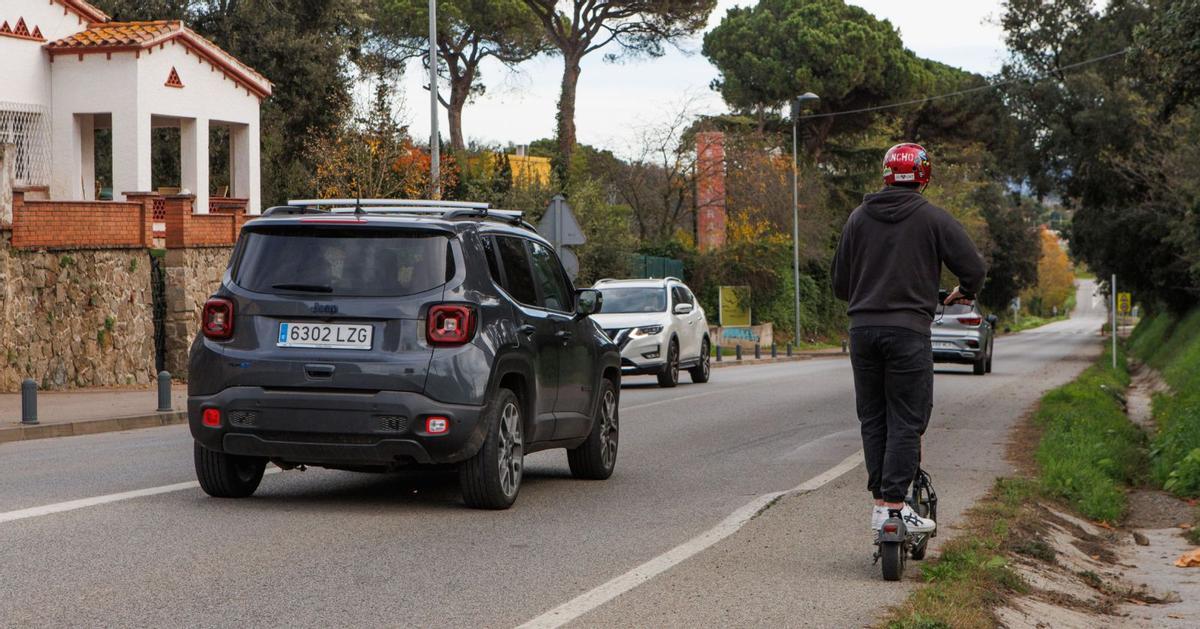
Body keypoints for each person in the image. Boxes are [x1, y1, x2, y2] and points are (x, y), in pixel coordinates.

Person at [831, 143, 987, 533]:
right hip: (908, 331)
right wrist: (964, 290)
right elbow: (974, 268)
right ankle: (896, 507)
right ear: (924, 177)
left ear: (886, 174)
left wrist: (869, 293)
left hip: (863, 331)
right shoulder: (932, 219)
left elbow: (838, 284)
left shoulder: (857, 218)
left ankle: (880, 502)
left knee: (873, 416)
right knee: (907, 416)